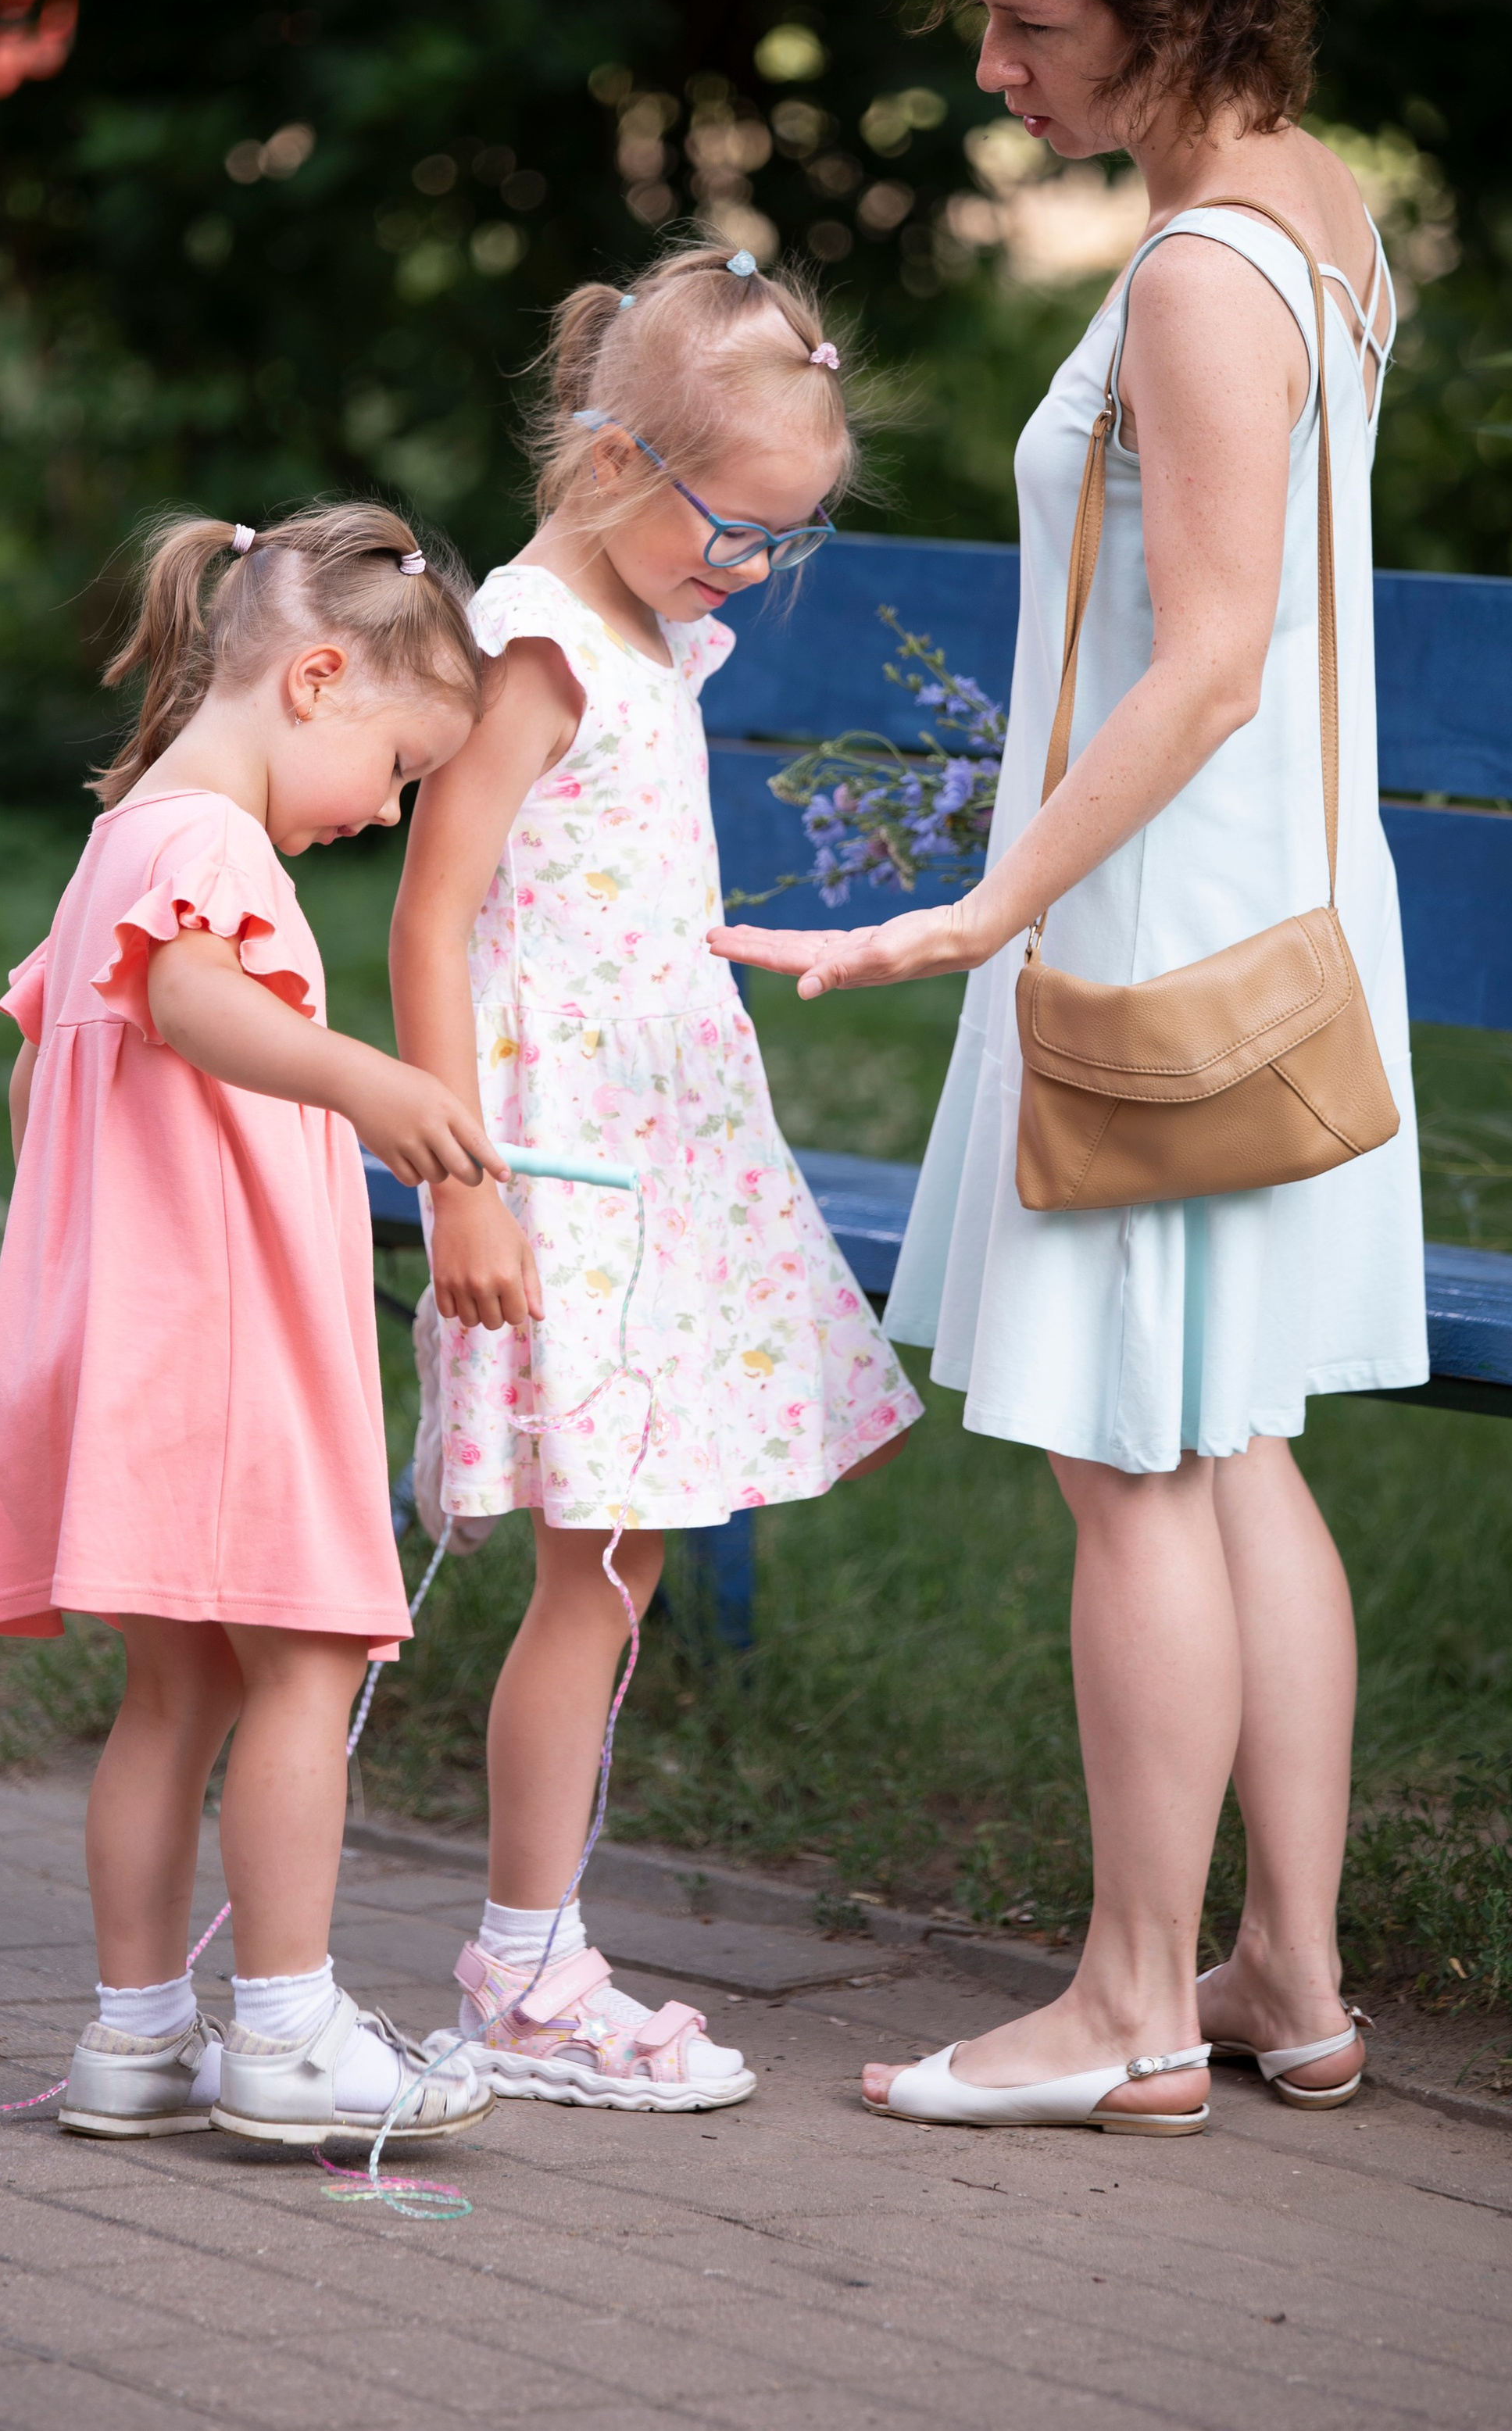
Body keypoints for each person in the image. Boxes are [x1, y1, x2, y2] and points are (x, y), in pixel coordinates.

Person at [713, 0, 1428, 2133]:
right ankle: (1287, 1982)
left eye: (1027, 22)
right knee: (1234, 1452)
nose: (995, 70)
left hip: (1147, 926)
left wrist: (991, 902)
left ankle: (1131, 1998)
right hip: (1268, 915)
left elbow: (1207, 655)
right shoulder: (1307, 207)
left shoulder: (1203, 272)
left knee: (1136, 1462)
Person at [389, 239, 920, 2111]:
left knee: (618, 1558)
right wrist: (461, 1180)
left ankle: (538, 1949)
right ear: (615, 458)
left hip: (658, 1143)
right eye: (731, 526)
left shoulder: (643, 624)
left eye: (783, 538)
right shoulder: (540, 638)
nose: (751, 569)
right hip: (563, 1165)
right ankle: (524, 1976)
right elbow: (431, 914)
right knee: (593, 1564)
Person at [0, 502, 502, 2150]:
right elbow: (195, 1003)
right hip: (220, 1341)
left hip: (126, 1337)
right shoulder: (212, 847)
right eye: (402, 766)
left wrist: (93, 1225)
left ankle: (135, 2040)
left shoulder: (122, 838)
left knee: (173, 1697)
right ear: (321, 680)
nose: (394, 806)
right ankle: (282, 2029)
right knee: (308, 1658)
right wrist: (368, 1083)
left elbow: (32, 1064)